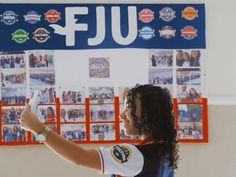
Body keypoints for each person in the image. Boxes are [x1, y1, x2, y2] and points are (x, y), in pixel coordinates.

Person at [21, 84, 179, 177]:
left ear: (148, 113)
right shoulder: (162, 149)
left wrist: (38, 129)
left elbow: (79, 157)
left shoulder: (134, 155)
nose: (121, 114)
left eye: (129, 108)